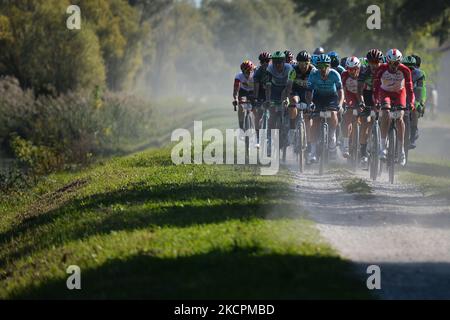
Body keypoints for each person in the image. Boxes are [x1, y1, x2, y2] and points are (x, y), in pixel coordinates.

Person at [373, 49, 415, 166]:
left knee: (400, 117)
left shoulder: (405, 70)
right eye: (390, 63)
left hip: (399, 93)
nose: (393, 66)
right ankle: (382, 148)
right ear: (387, 61)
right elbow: (375, 88)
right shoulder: (381, 69)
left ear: (400, 62)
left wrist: (411, 102)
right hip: (385, 92)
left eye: (396, 63)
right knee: (386, 113)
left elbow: (410, 90)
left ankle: (401, 151)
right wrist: (376, 101)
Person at [305, 54, 344, 162]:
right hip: (318, 98)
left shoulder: (335, 74)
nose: (323, 69)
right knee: (315, 121)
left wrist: (340, 104)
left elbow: (341, 92)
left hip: (331, 97)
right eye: (320, 66)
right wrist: (309, 103)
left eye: (325, 66)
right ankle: (312, 152)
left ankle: (332, 137)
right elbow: (308, 92)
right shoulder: (313, 74)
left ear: (329, 66)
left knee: (333, 114)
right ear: (317, 67)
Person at [341, 56, 370, 165]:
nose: (352, 72)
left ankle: (365, 146)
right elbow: (342, 89)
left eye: (355, 69)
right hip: (350, 96)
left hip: (362, 96)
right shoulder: (344, 75)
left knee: (365, 120)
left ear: (359, 68)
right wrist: (343, 101)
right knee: (348, 114)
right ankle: (345, 145)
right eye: (349, 69)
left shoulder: (364, 74)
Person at [357, 49, 384, 164]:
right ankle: (363, 151)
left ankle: (387, 145)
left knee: (385, 118)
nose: (374, 65)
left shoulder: (385, 70)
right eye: (371, 62)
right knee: (365, 121)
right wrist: (361, 102)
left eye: (376, 62)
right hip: (367, 95)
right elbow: (359, 90)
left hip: (381, 94)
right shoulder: (364, 71)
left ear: (380, 62)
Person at [290, 50, 316, 160]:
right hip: (296, 92)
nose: (303, 66)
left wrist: (313, 102)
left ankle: (309, 146)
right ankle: (292, 130)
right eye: (300, 63)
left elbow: (317, 88)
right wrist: (287, 99)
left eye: (305, 63)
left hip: (309, 94)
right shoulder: (293, 70)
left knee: (308, 120)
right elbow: (288, 86)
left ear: (309, 62)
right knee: (293, 103)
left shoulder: (314, 71)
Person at [265, 51, 295, 141]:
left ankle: (289, 132)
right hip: (274, 90)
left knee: (289, 109)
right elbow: (268, 86)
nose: (277, 64)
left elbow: (290, 86)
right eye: (275, 62)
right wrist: (267, 100)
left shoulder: (290, 69)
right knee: (273, 114)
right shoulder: (269, 69)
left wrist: (287, 98)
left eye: (280, 62)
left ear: (284, 61)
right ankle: (269, 138)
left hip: (286, 89)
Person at [403, 55, 426, 149]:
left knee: (415, 109)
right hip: (401, 95)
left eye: (412, 67)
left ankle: (413, 134)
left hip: (414, 95)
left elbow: (422, 90)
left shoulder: (420, 74)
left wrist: (421, 103)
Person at [253, 51, 272, 145]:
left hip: (272, 93)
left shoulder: (273, 70)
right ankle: (257, 137)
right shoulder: (258, 72)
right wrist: (256, 99)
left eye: (267, 61)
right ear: (260, 62)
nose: (265, 63)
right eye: (262, 61)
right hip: (261, 93)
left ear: (270, 61)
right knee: (258, 114)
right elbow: (256, 86)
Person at [233, 60, 255, 129]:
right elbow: (236, 90)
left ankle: (256, 125)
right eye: (245, 72)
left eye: (249, 71)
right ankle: (241, 127)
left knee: (256, 108)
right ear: (242, 71)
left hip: (252, 91)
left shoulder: (255, 75)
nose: (247, 74)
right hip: (243, 91)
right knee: (241, 107)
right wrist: (236, 99)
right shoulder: (238, 76)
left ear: (252, 70)